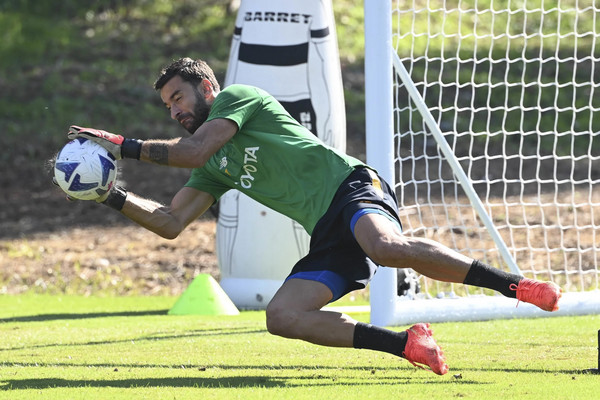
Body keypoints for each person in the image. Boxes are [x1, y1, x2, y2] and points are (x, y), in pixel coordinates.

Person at [63, 57, 562, 375]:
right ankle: (406, 345)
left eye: (178, 97)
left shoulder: (239, 99)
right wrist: (109, 196)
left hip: (349, 186)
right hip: (325, 227)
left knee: (385, 247)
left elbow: (193, 150)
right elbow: (172, 222)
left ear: (207, 86)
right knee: (281, 317)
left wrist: (123, 146)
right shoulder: (213, 164)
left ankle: (516, 287)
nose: (173, 109)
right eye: (167, 104)